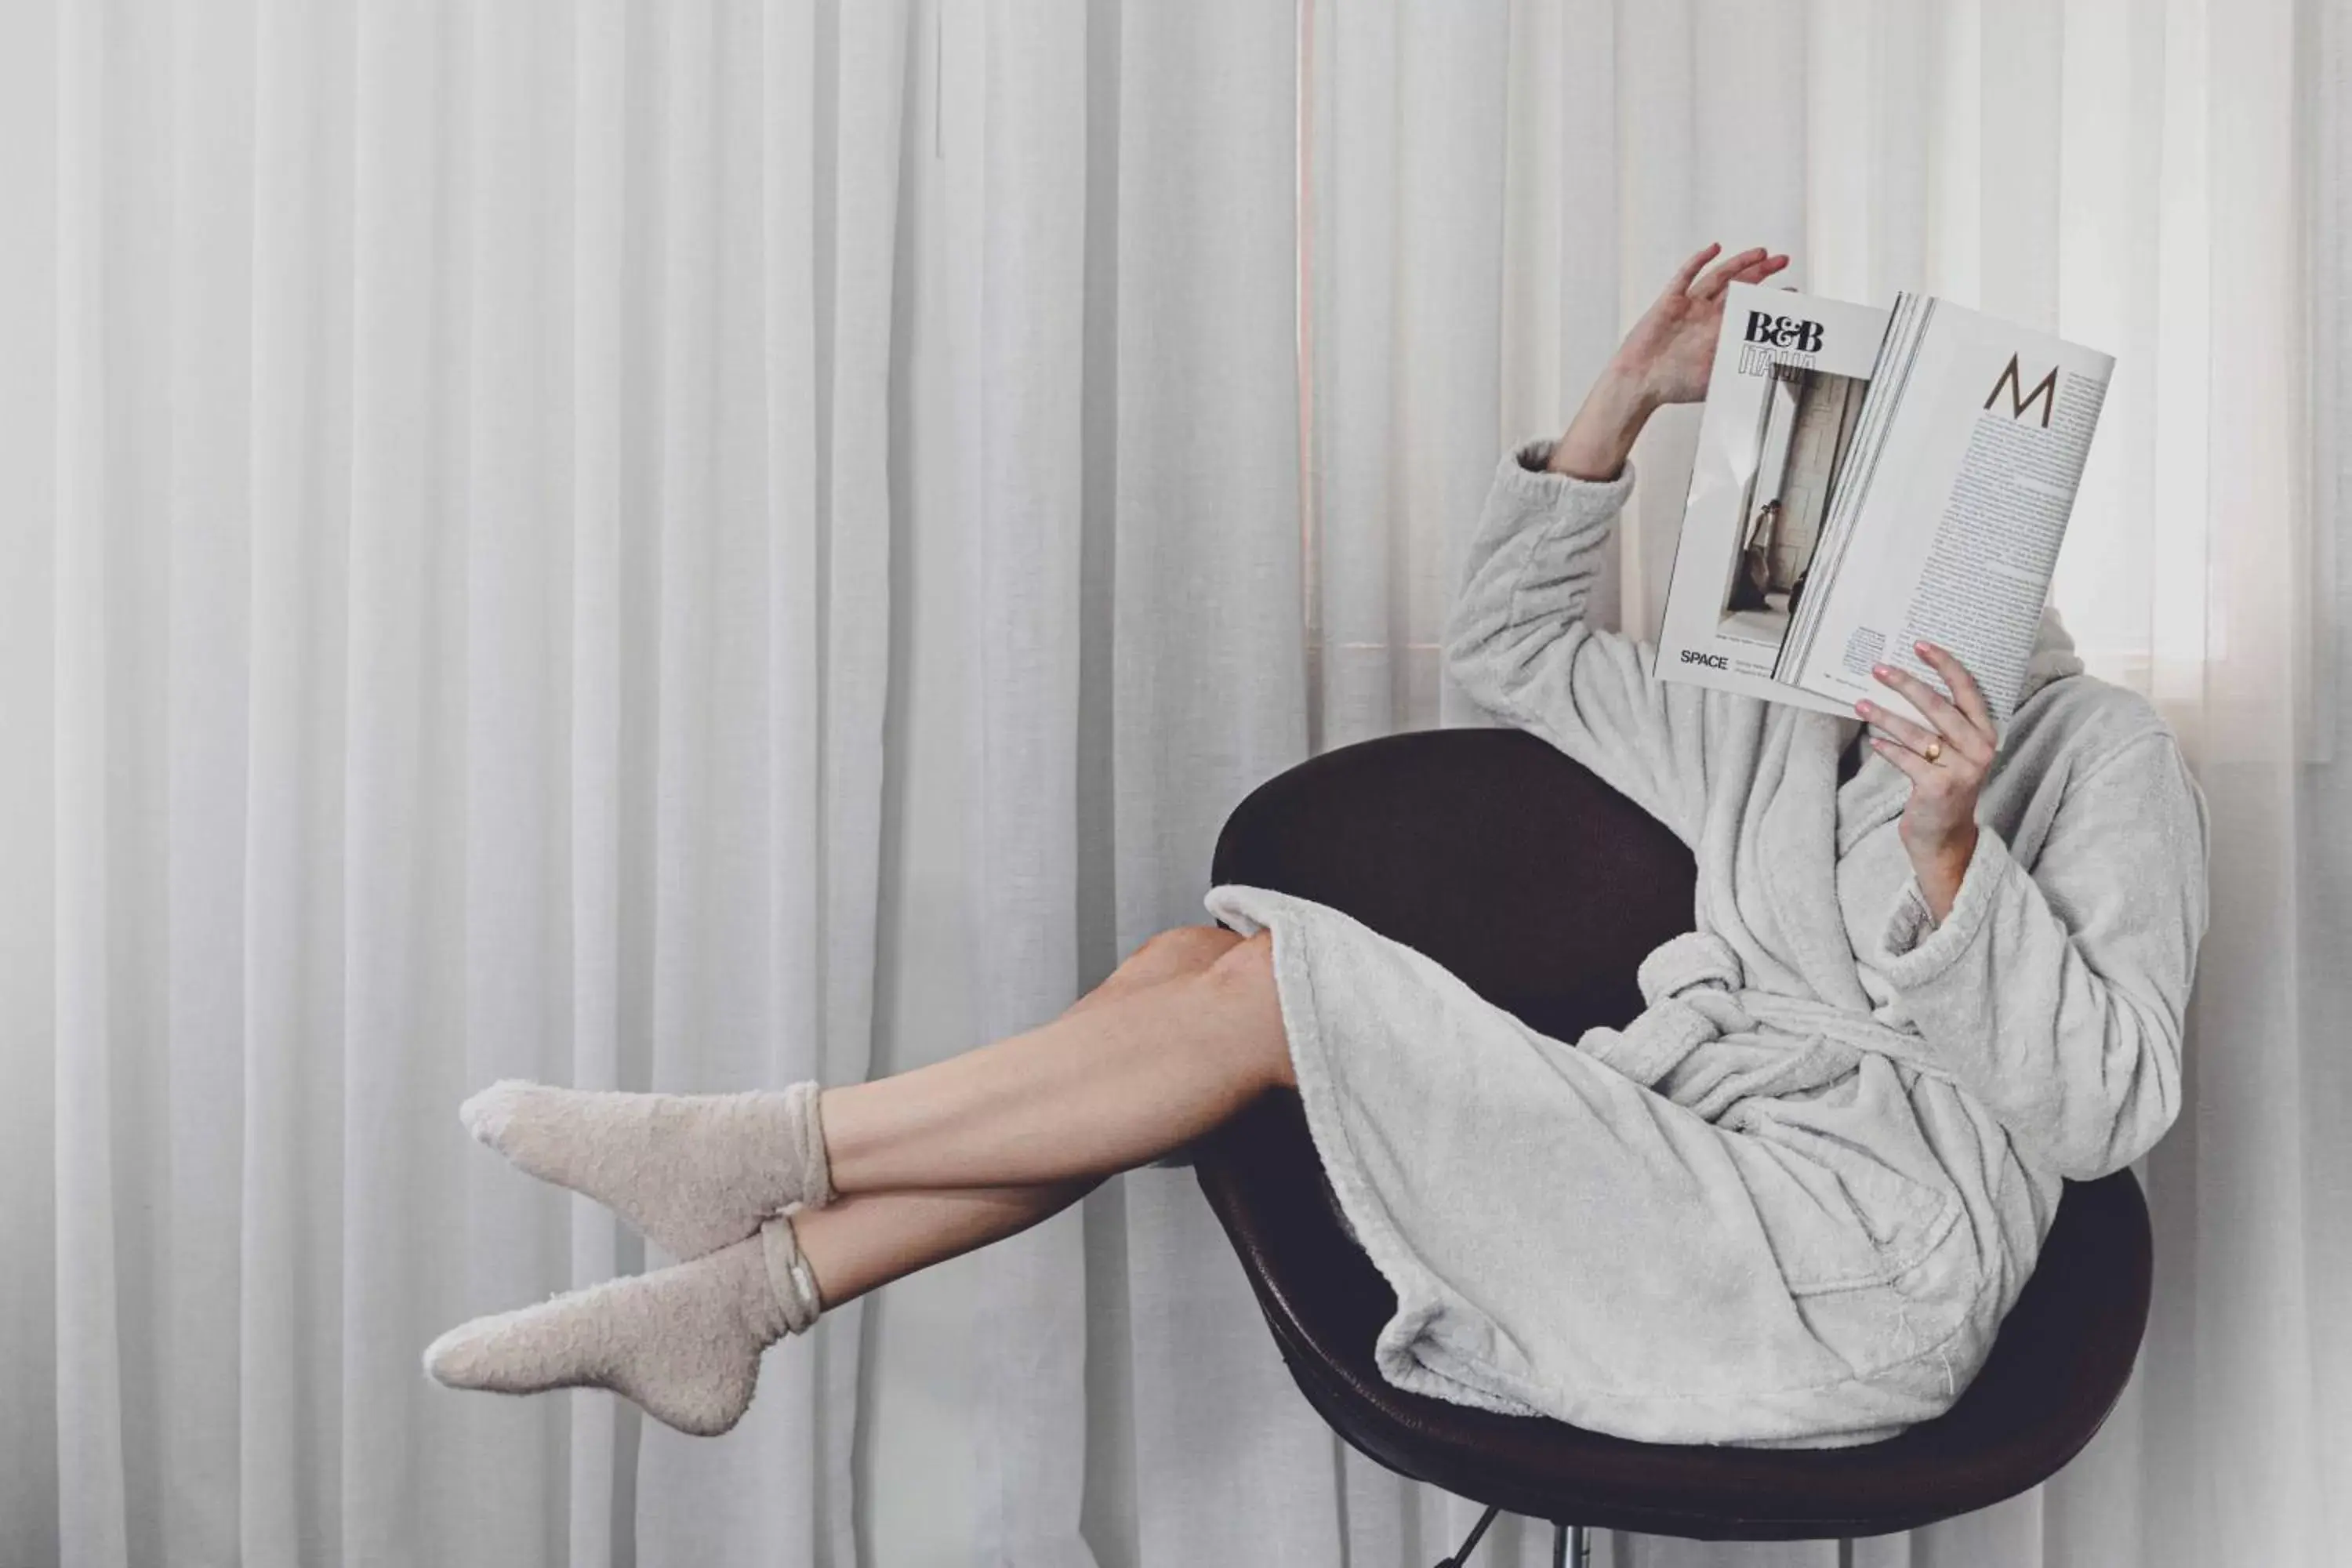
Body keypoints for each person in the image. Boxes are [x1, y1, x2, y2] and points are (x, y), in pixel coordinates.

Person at [424, 243, 2212, 1449]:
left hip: (1858, 1264)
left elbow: (2110, 1107)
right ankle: (751, 1292)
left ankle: (745, 1153)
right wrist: (1625, 403)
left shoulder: (2096, 753)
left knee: (1267, 988)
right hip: (1691, 1151)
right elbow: (1509, 650)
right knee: (1182, 982)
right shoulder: (1767, 711)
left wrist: (1953, 846)